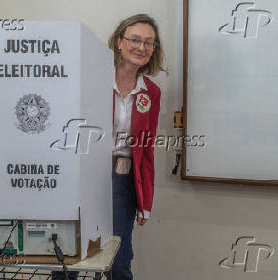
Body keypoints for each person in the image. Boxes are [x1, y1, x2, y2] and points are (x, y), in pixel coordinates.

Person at [108, 14, 166, 280]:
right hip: (82, 176)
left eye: (149, 42)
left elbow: (146, 151)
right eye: (135, 39)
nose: (141, 47)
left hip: (123, 180)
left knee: (118, 261)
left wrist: (145, 201)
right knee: (73, 257)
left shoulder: (151, 92)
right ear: (120, 42)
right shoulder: (92, 76)